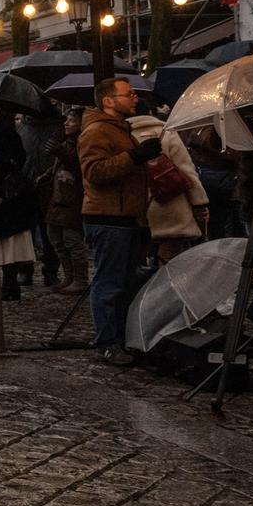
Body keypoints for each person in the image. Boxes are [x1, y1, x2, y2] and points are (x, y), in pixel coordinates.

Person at [79, 76, 163, 365]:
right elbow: (95, 172)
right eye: (128, 94)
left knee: (127, 282)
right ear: (109, 100)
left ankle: (123, 338)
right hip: (108, 217)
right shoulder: (97, 131)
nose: (134, 98)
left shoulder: (120, 129)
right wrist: (135, 156)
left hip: (128, 216)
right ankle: (107, 342)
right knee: (109, 283)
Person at [129, 112, 210, 265]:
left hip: (138, 207)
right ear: (151, 113)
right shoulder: (167, 132)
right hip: (171, 205)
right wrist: (200, 203)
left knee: (139, 256)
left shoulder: (122, 134)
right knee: (170, 259)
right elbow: (186, 170)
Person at [0, 108, 41, 301]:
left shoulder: (3, 135)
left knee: (7, 243)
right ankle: (9, 283)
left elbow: (8, 162)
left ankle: (9, 284)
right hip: (11, 198)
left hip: (6, 197)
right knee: (8, 244)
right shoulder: (1, 134)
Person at [45, 111, 89, 295]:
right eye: (67, 120)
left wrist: (61, 151)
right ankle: (68, 276)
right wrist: (46, 176)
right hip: (58, 198)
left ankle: (80, 279)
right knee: (57, 240)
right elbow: (58, 166)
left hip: (72, 200)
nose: (67, 123)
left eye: (72, 120)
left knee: (72, 240)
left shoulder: (83, 143)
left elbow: (80, 166)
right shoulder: (66, 143)